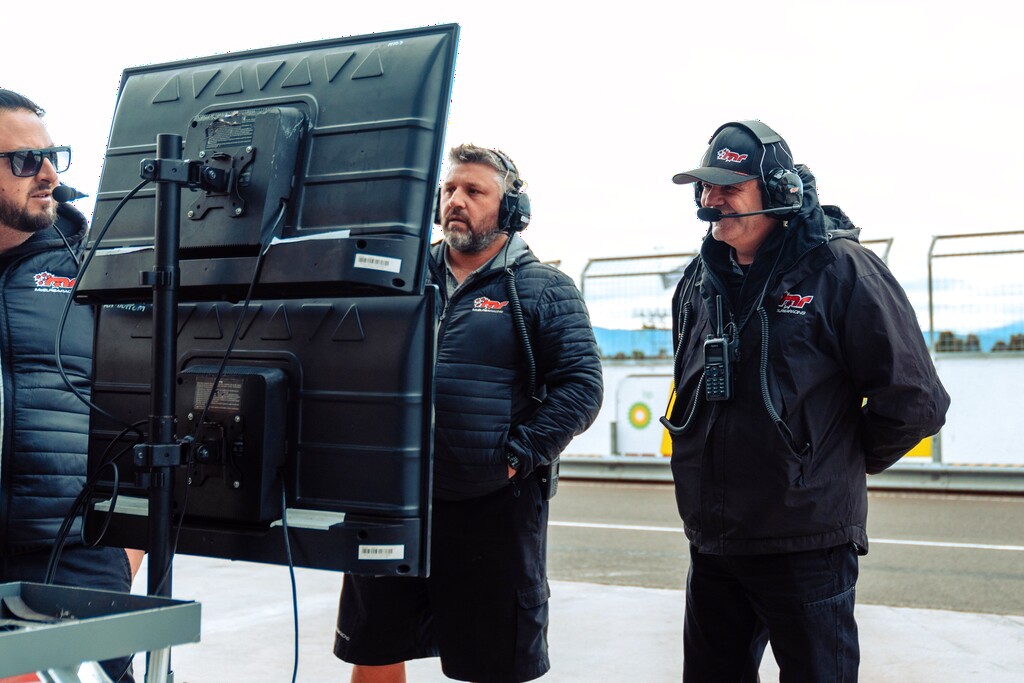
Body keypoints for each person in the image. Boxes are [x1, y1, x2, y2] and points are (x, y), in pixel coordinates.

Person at [663, 120, 950, 682]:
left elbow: (917, 401)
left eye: (728, 187)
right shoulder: (700, 280)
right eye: (706, 187)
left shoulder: (842, 269)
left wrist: (825, 465)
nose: (710, 200)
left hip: (805, 544)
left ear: (779, 194)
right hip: (716, 542)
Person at [334, 144, 604, 683]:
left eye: (474, 191)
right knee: (376, 645)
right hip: (393, 501)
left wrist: (514, 456)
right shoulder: (399, 280)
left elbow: (581, 386)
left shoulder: (544, 290)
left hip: (492, 507)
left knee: (493, 660)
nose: (456, 200)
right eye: (450, 190)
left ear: (510, 211)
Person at [0, 88, 143, 681]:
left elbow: (168, 408)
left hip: (74, 557)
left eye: (52, 154)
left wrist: (128, 546)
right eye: (24, 160)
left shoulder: (98, 268)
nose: (49, 175)